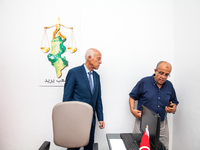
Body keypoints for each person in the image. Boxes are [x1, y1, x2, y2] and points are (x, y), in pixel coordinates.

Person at [129, 61, 179, 149]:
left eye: (166, 74)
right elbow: (132, 96)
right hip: (143, 123)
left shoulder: (169, 85)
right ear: (155, 70)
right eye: (161, 73)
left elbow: (174, 102)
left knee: (163, 147)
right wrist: (132, 110)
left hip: (162, 124)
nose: (163, 76)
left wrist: (173, 108)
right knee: (137, 146)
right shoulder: (144, 82)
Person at [63, 48, 105, 150]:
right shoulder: (74, 73)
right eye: (98, 59)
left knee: (89, 147)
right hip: (75, 120)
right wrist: (68, 119)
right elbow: (66, 99)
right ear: (89, 58)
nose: (100, 62)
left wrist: (101, 118)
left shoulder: (96, 76)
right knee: (73, 148)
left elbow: (98, 99)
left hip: (91, 121)